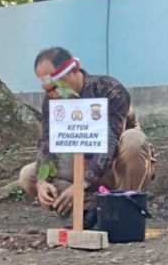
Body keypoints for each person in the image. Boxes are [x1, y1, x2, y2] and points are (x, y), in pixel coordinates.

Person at [18, 47, 155, 227]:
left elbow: (109, 143)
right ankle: (92, 209)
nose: (54, 95)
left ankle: (122, 211)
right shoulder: (52, 100)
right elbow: (47, 142)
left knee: (133, 140)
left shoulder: (109, 89)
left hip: (117, 167)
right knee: (28, 176)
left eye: (57, 87)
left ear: (75, 70)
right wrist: (42, 182)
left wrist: (81, 184)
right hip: (78, 167)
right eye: (48, 90)